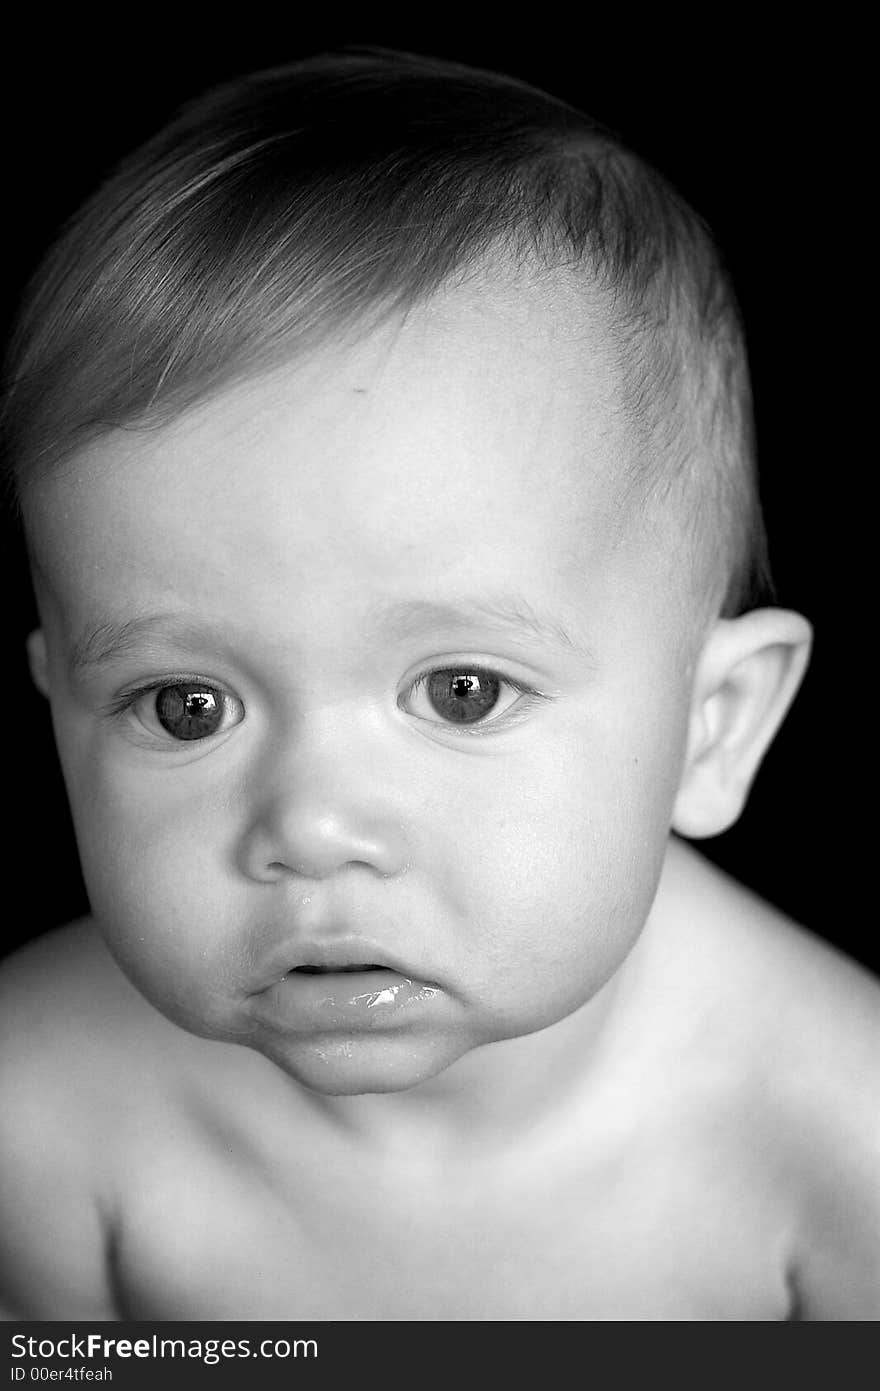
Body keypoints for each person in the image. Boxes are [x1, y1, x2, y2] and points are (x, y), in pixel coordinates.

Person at [0, 48, 877, 1322]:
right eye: (185, 704)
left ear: (711, 725)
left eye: (461, 689)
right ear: (63, 723)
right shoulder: (36, 1116)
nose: (310, 824)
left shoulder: (838, 1135)